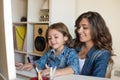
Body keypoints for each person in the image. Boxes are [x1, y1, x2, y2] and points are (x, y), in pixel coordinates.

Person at [71, 11, 115, 78]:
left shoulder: (102, 53)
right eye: (78, 27)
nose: (79, 31)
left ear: (96, 29)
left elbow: (98, 78)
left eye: (85, 28)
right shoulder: (73, 44)